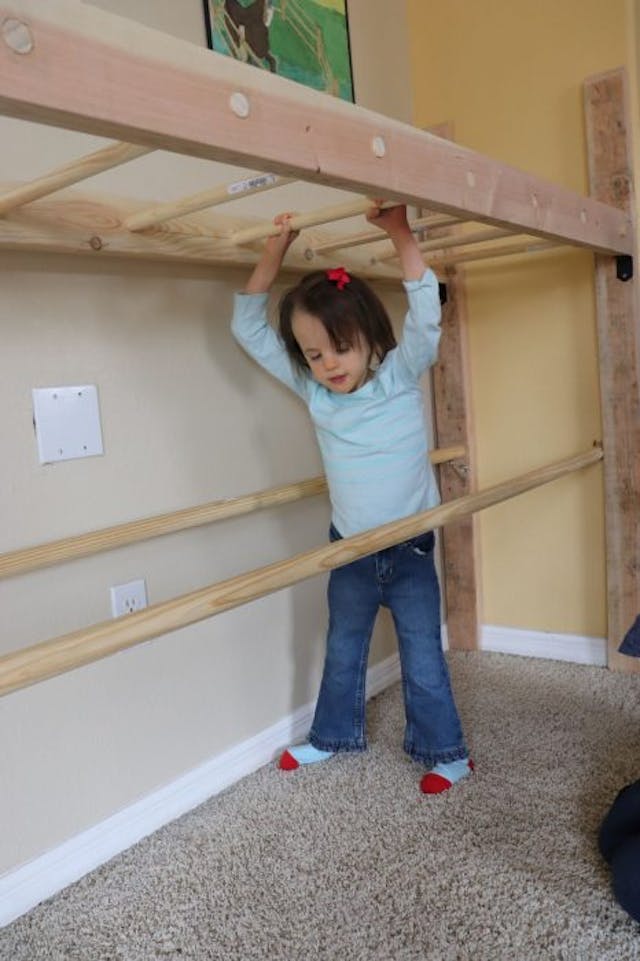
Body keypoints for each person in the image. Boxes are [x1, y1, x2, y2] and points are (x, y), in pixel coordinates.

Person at [230, 202, 472, 794]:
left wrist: (400, 234)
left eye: (339, 347)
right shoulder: (316, 395)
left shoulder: (399, 375)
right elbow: (248, 328)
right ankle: (330, 735)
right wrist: (274, 252)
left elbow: (424, 311)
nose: (328, 364)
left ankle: (447, 752)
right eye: (313, 354)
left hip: (410, 549)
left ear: (370, 337)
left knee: (422, 657)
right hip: (349, 551)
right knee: (342, 648)